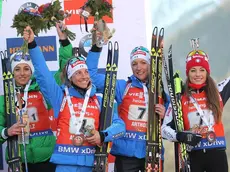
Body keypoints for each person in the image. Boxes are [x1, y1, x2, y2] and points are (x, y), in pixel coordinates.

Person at [24, 26, 126, 172]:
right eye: (78, 73)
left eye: (85, 71)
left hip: (92, 165)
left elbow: (120, 126)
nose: (84, 76)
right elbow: (43, 74)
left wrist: (103, 136)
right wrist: (32, 45)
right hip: (65, 165)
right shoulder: (61, 97)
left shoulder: (98, 100)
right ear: (70, 78)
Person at [0, 23, 73, 172]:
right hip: (17, 160)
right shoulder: (5, 98)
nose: (22, 73)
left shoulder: (44, 89)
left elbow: (64, 70)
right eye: (17, 69)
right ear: (12, 73)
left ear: (32, 71)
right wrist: (6, 132)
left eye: (26, 68)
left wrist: (64, 41)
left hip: (47, 158)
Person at [86, 44, 169, 171]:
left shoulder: (160, 92)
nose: (138, 67)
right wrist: (96, 48)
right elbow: (91, 77)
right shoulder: (122, 87)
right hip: (126, 155)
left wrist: (165, 116)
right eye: (134, 63)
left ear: (150, 65)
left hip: (153, 153)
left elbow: (174, 124)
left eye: (143, 62)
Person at [161, 49, 229, 172]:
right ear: (188, 73)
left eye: (202, 70)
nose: (198, 74)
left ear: (207, 72)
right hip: (193, 157)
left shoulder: (217, 92)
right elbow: (164, 129)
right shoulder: (179, 98)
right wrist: (180, 136)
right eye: (193, 70)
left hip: (217, 155)